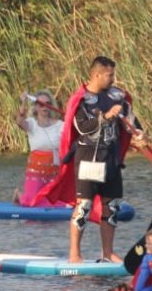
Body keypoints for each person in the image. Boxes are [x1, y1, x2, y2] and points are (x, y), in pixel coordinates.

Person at [36, 56, 142, 263]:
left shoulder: (118, 96)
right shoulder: (82, 99)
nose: (113, 79)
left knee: (111, 206)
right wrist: (106, 116)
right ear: (97, 75)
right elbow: (82, 127)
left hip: (111, 159)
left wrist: (139, 134)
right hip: (89, 159)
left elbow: (131, 121)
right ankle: (75, 253)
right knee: (83, 206)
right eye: (110, 75)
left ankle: (108, 252)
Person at [12, 90, 64, 207]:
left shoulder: (60, 124)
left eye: (47, 103)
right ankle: (19, 195)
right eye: (41, 104)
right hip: (36, 170)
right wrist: (23, 103)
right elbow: (19, 122)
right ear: (36, 108)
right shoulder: (32, 123)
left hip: (54, 169)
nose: (44, 106)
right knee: (30, 203)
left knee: (55, 203)